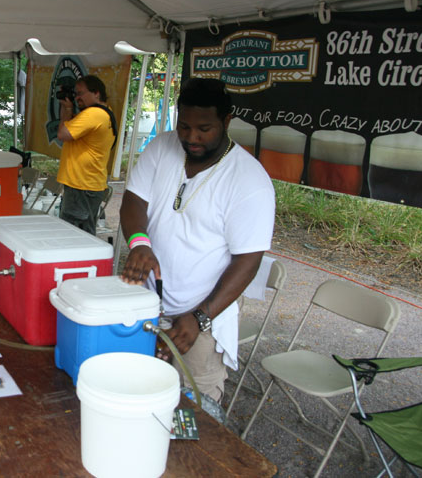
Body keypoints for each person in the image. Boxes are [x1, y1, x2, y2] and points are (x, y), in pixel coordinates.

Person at [119, 78, 275, 403]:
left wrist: (201, 317)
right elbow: (133, 200)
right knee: (138, 388)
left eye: (204, 128)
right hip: (147, 303)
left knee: (195, 407)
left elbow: (248, 261)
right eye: (185, 126)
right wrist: (139, 243)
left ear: (227, 121)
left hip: (202, 316)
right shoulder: (162, 146)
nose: (192, 137)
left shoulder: (249, 181)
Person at [56, 75, 117, 235]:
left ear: (96, 93)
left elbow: (63, 133)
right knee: (83, 235)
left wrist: (68, 109)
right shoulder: (103, 113)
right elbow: (68, 127)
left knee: (73, 236)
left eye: (81, 93)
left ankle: (80, 261)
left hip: (81, 186)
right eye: (75, 94)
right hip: (85, 185)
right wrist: (66, 108)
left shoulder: (93, 114)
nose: (77, 98)